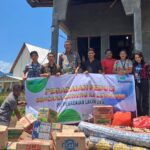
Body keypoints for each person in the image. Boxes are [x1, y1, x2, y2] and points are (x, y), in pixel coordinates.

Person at [133, 51, 150, 116]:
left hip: (144, 82)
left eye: (138, 57)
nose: (137, 59)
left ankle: (146, 115)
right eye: (135, 57)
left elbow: (149, 74)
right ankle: (140, 114)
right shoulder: (134, 65)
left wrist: (142, 75)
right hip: (137, 83)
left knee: (145, 99)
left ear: (141, 57)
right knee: (137, 99)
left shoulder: (146, 64)